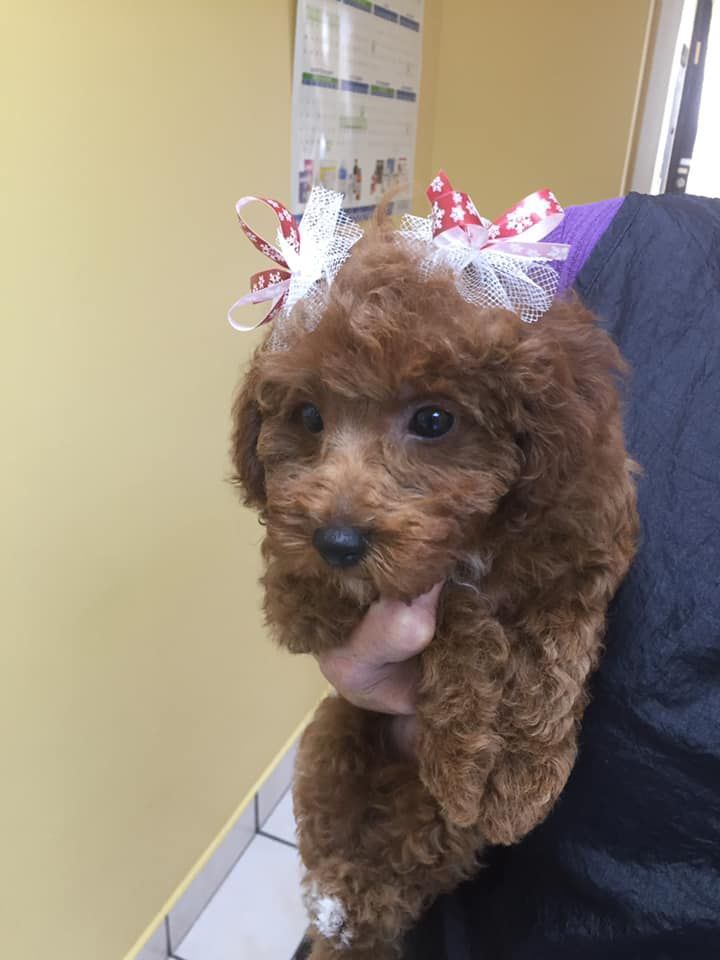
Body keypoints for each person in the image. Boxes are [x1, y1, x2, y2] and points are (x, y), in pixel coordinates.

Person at [299, 191, 720, 959]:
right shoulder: (576, 249)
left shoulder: (579, 477)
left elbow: (574, 574)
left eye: (426, 423)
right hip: (455, 898)